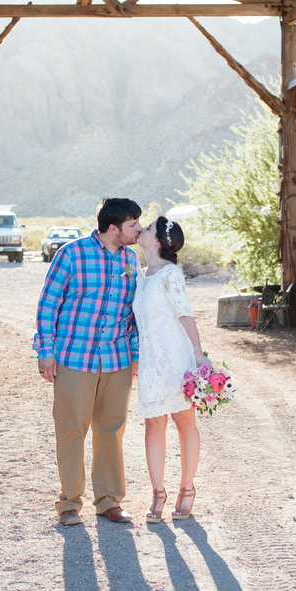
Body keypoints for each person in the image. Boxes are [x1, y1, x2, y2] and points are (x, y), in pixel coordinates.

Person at [33, 198, 142, 526]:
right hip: (73, 358)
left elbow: (133, 314)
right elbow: (47, 305)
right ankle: (69, 503)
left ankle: (109, 500)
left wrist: (135, 357)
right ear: (113, 229)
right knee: (71, 430)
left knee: (111, 431)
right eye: (133, 224)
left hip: (117, 359)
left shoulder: (131, 260)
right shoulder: (72, 253)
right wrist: (45, 351)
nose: (139, 229)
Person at [133, 216, 210, 523]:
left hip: (176, 360)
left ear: (158, 241)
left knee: (184, 425)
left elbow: (185, 314)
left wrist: (198, 354)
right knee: (153, 425)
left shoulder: (170, 274)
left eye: (148, 227)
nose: (142, 229)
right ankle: (157, 493)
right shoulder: (141, 274)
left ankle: (187, 489)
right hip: (151, 362)